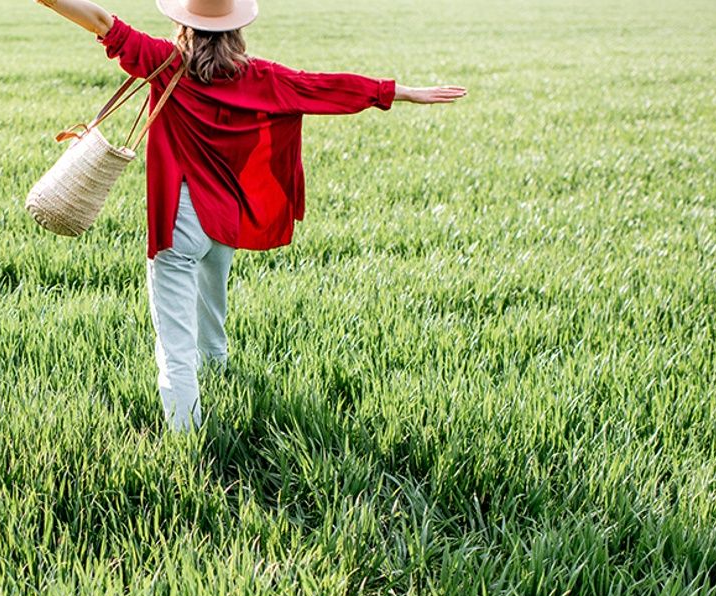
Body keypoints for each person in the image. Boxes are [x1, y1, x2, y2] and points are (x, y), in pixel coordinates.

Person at [35, 0, 466, 431]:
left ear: (181, 23)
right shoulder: (261, 77)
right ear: (236, 29)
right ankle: (219, 374)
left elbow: (101, 21)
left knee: (175, 347)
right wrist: (398, 92)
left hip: (178, 222)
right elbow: (323, 87)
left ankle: (186, 442)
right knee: (211, 315)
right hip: (224, 221)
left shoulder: (163, 61)